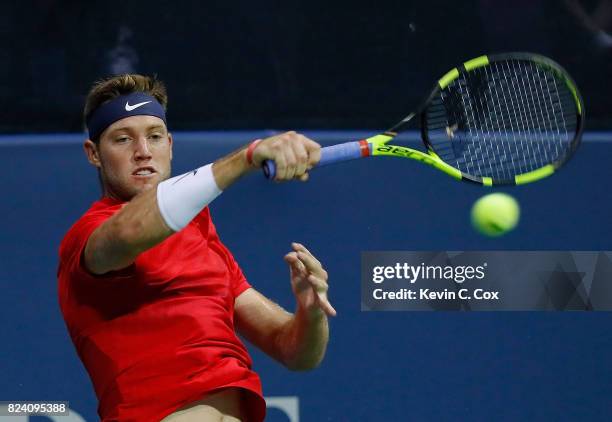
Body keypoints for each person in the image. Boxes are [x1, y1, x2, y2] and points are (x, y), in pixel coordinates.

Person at [57, 74, 336, 422]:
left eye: (154, 137)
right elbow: (131, 229)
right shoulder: (88, 236)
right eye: (123, 139)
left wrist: (310, 314)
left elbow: (294, 352)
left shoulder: (201, 235)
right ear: (94, 154)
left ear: (170, 145)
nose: (143, 151)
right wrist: (246, 158)